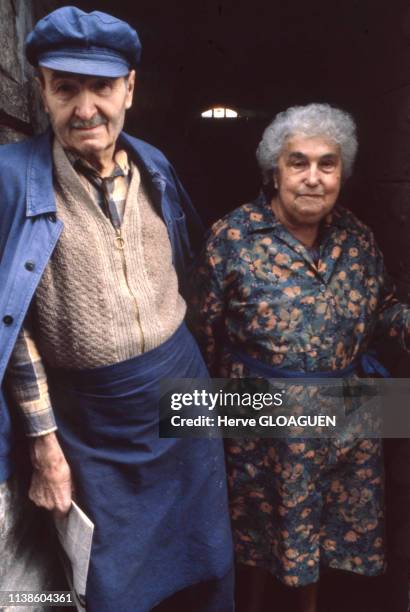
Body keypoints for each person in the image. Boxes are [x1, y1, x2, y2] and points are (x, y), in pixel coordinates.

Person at [0, 7, 233, 612]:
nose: (85, 110)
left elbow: (188, 266)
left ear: (130, 88)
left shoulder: (154, 165)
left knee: (204, 557)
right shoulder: (10, 179)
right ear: (42, 92)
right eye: (66, 88)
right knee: (108, 582)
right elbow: (11, 325)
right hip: (90, 419)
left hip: (181, 392)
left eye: (102, 87)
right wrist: (45, 446)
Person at [194, 103, 410, 612]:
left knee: (320, 547)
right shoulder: (232, 238)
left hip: (348, 420)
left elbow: (380, 311)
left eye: (327, 164)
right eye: (298, 162)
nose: (313, 178)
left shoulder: (356, 238)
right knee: (255, 547)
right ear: (275, 171)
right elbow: (199, 337)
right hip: (261, 428)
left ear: (342, 172)